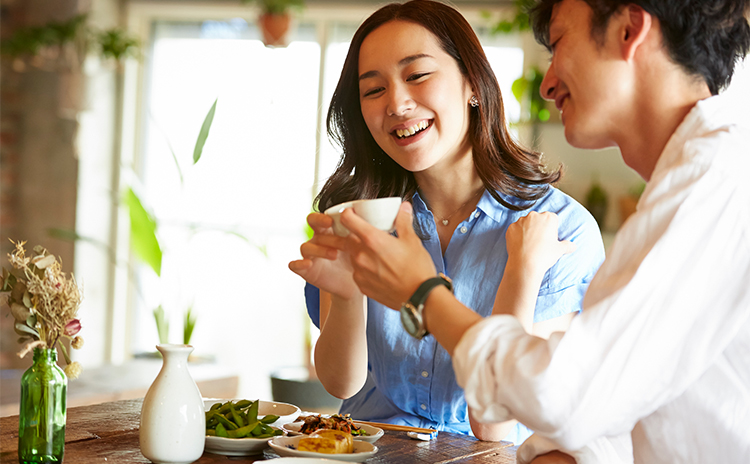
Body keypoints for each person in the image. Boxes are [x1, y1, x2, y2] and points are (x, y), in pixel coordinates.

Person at [335, 0, 750, 462]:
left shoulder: (716, 182)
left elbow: (561, 395)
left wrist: (424, 294)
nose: (548, 83)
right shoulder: (694, 181)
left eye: (558, 45)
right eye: (372, 89)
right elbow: (609, 410)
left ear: (629, 31)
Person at [288, 0, 605, 445]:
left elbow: (497, 423)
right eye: (373, 90)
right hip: (365, 451)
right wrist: (345, 293)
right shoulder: (355, 216)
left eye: (417, 75)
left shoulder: (559, 231)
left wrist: (520, 272)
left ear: (473, 83)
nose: (396, 103)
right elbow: (342, 385)